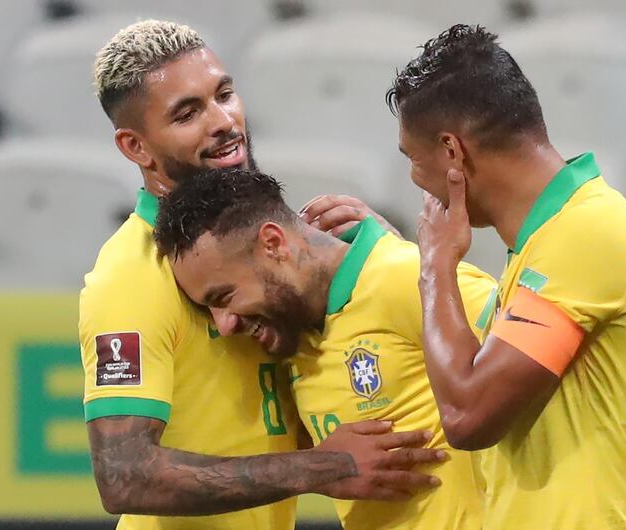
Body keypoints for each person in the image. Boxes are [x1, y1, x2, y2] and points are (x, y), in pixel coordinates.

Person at [79, 19, 441, 530]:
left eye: (224, 94)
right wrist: (324, 467)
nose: (223, 122)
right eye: (187, 114)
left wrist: (385, 260)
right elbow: (124, 476)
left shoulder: (255, 247)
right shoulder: (133, 274)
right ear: (136, 147)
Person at [387, 24, 626, 528]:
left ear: (453, 152)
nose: (415, 180)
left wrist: (435, 267)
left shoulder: (586, 231)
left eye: (414, 159)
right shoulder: (549, 243)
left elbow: (467, 415)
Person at [152, 167, 499, 530]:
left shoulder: (407, 278)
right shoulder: (293, 337)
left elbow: (538, 376)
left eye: (225, 296)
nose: (224, 324)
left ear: (273, 244)